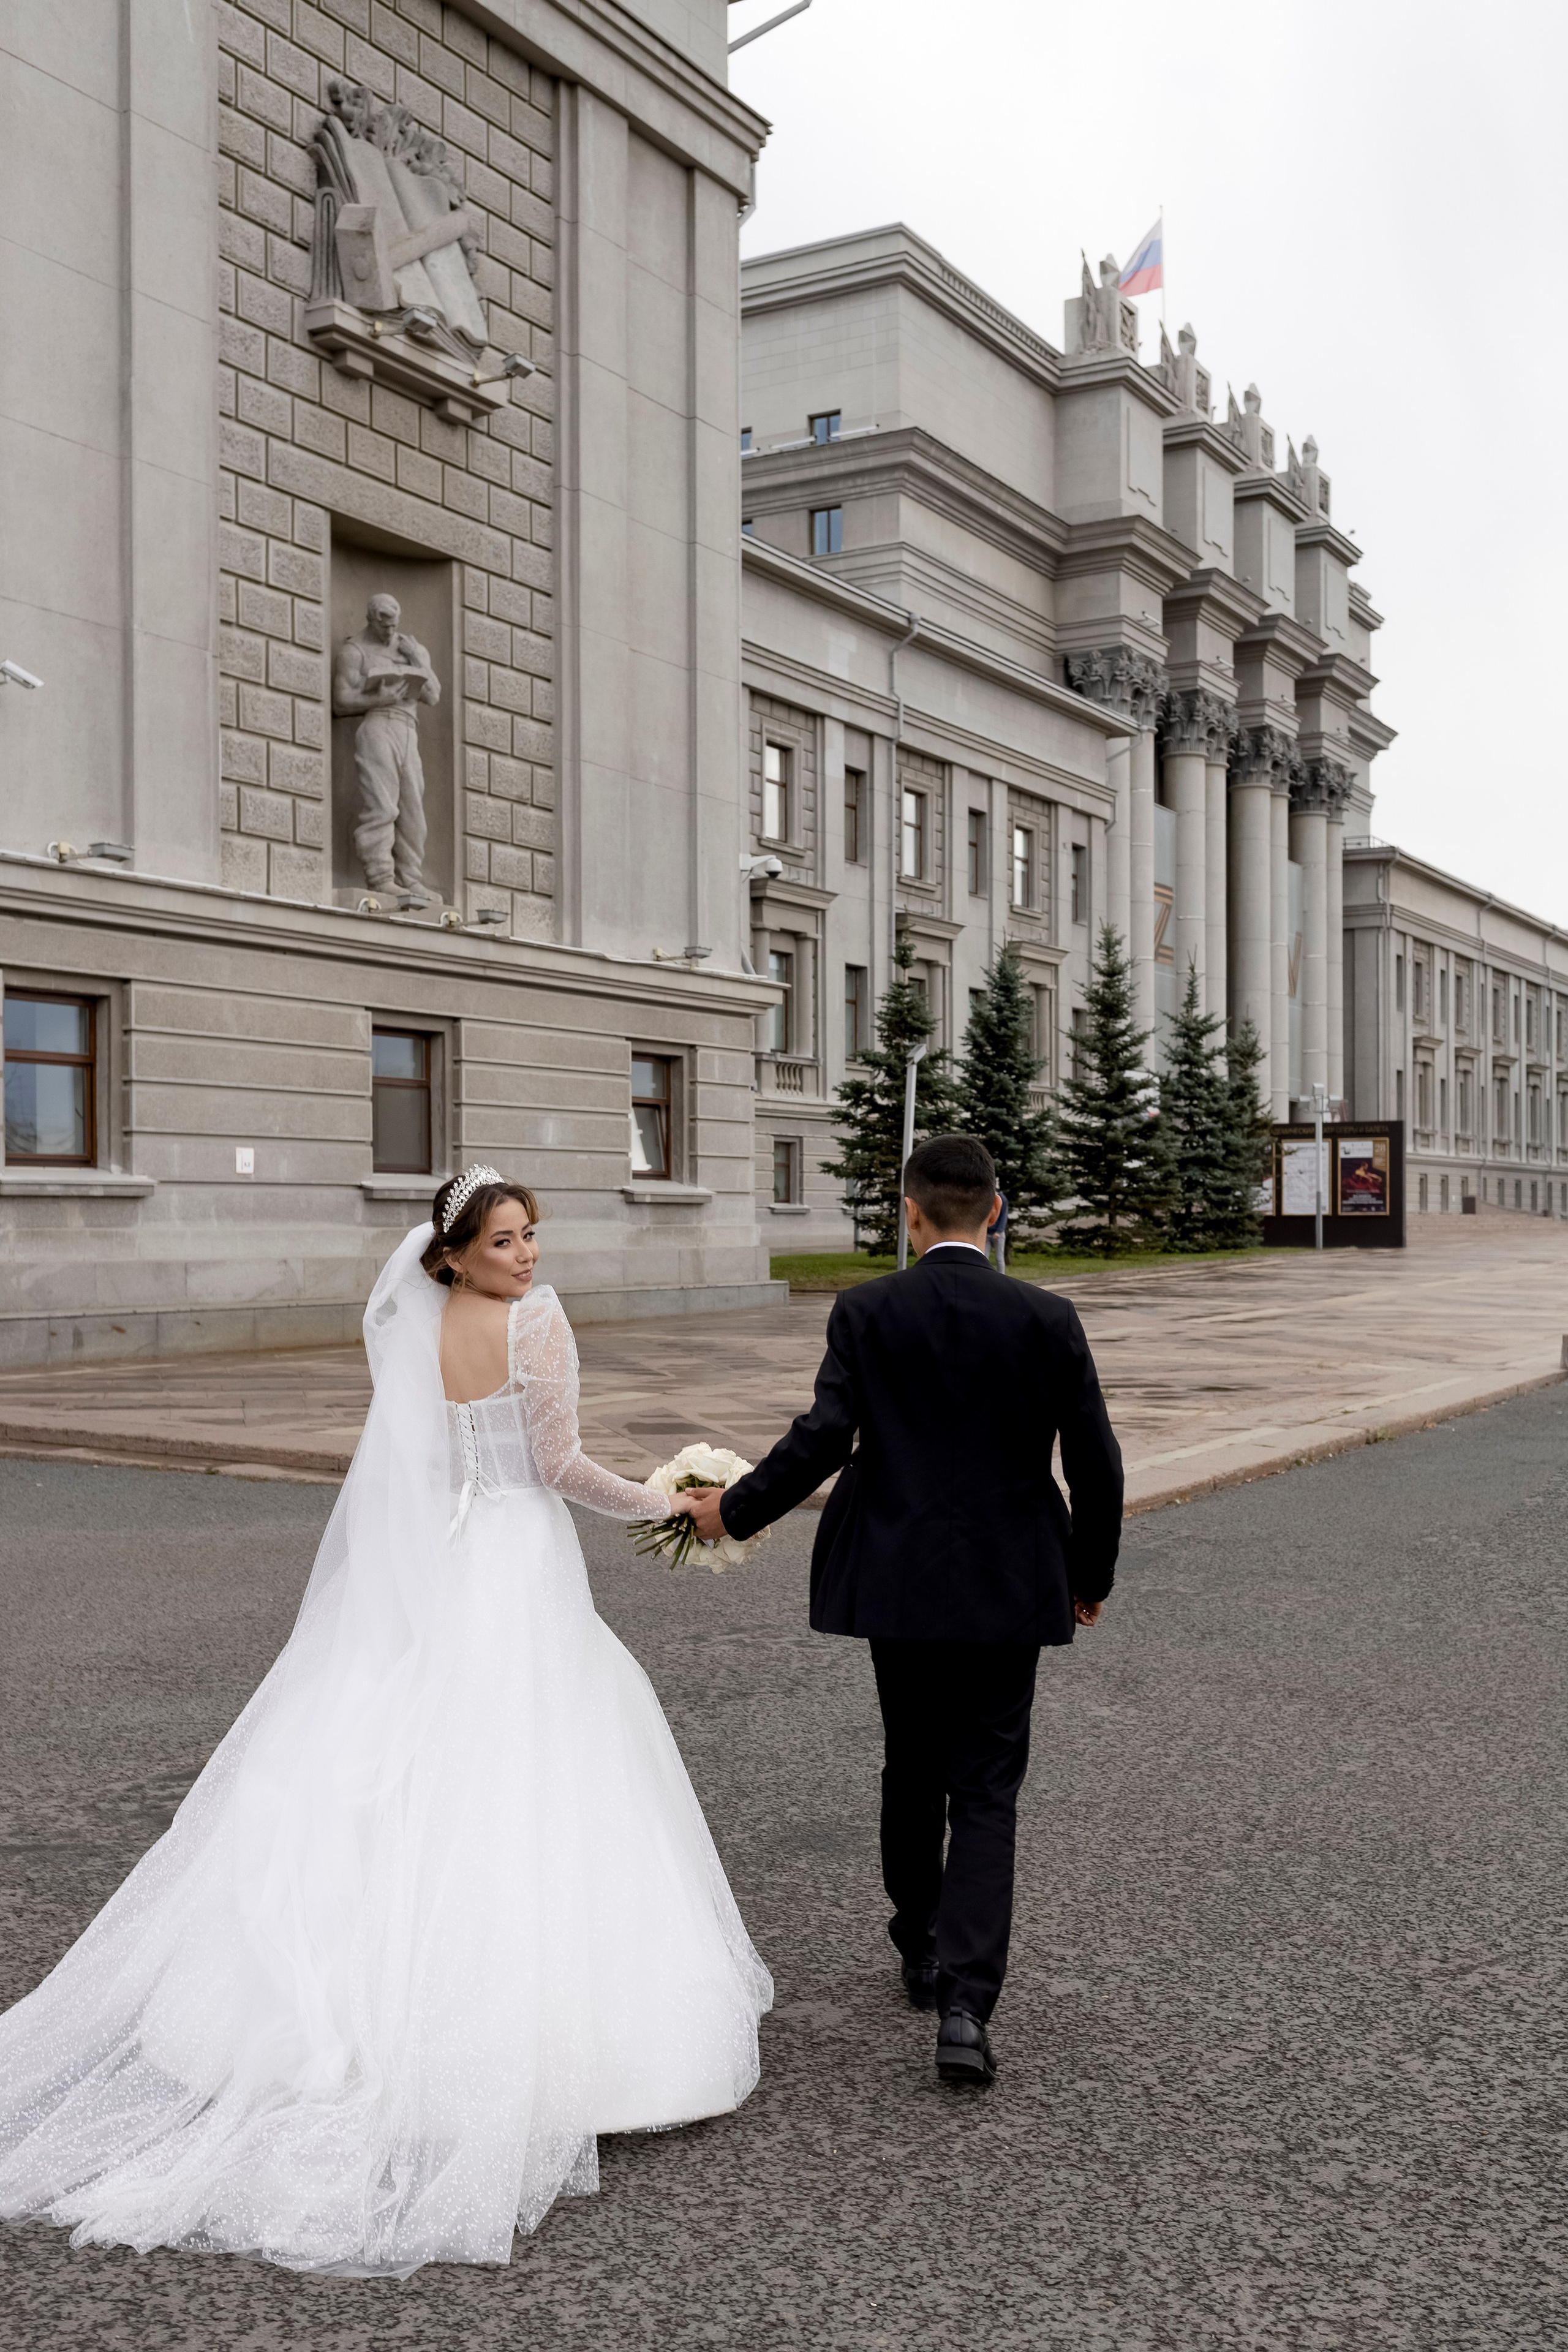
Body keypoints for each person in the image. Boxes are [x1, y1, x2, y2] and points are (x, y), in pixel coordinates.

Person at [0, 1170, 771, 2276]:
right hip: (512, 1562)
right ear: (455, 1251)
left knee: (407, 1757)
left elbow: (411, 1468)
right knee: (529, 1767)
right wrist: (677, 1504)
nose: (529, 1258)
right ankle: (533, 2043)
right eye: (506, 1241)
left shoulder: (411, 1325)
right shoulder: (536, 1327)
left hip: (436, 1570)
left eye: (532, 1239)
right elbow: (555, 1467)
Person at [677, 1133, 1121, 2088]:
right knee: (989, 1786)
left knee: (912, 1762)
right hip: (1011, 1580)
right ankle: (966, 2005)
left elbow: (824, 1437)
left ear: (909, 1213)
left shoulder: (868, 1308)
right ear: (995, 1211)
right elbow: (1095, 1463)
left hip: (899, 1579)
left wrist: (734, 1509)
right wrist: (1091, 1575)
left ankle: (919, 1946)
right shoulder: (1048, 1316)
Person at [331, 593, 440, 904]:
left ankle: (411, 878)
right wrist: (381, 699)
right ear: (371, 619)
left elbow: (433, 696)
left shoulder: (413, 649)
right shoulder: (355, 651)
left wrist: (417, 661)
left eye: (395, 625)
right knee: (381, 805)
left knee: (413, 810)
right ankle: (380, 877)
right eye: (385, 626)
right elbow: (341, 700)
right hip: (378, 725)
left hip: (409, 729)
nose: (391, 632)